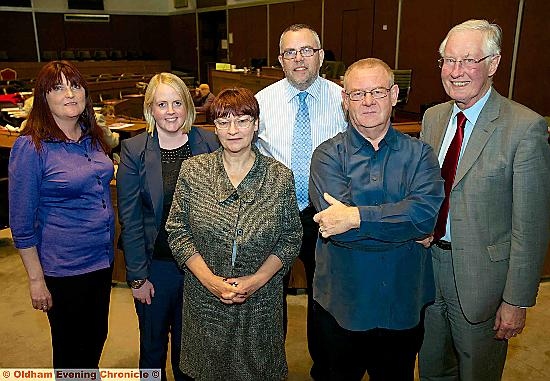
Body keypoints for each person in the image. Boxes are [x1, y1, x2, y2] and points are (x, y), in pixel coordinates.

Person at [418, 19, 550, 381]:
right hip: (429, 271)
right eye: (448, 60)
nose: (456, 72)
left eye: (468, 60)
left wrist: (516, 300)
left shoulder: (525, 128)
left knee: (478, 372)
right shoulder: (433, 117)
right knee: (431, 369)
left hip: (484, 282)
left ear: (493, 64)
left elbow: (531, 227)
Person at [309, 58, 445, 380]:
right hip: (341, 303)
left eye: (377, 92)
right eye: (357, 94)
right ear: (345, 100)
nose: (368, 101)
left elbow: (425, 217)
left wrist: (356, 217)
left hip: (403, 302)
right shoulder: (326, 155)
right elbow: (336, 228)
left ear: (395, 94)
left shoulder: (421, 154)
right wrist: (401, 223)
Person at [166, 88, 302, 380]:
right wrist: (211, 282)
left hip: (260, 304)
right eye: (224, 121)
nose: (233, 129)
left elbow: (291, 237)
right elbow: (177, 231)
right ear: (214, 127)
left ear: (256, 124)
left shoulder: (279, 176)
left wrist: (256, 280)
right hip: (205, 302)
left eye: (242, 120)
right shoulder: (193, 171)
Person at [8, 60, 115, 368]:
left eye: (75, 85)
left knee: (96, 339)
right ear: (43, 97)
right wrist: (35, 279)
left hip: (101, 259)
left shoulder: (92, 136)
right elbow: (21, 223)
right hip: (63, 268)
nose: (70, 94)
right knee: (72, 351)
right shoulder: (31, 146)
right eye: (58, 87)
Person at [255, 23, 347, 378]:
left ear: (321, 56)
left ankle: (323, 368)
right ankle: (267, 366)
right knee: (267, 295)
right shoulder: (263, 101)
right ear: (280, 60)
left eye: (306, 50)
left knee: (323, 298)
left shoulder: (343, 99)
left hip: (325, 214)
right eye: (290, 52)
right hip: (274, 213)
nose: (299, 59)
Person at [116, 73, 218, 381]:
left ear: (188, 106)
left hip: (198, 269)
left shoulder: (209, 142)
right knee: (152, 349)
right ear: (151, 109)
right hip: (154, 268)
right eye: (162, 104)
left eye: (177, 103)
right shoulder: (134, 150)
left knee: (191, 353)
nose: (170, 111)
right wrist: (137, 277)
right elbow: (131, 218)